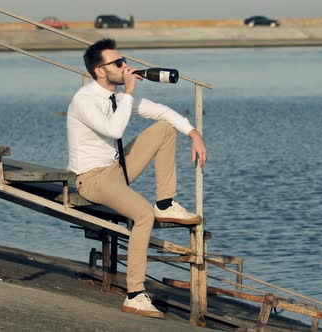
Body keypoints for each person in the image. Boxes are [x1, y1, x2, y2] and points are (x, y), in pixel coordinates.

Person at [66, 38, 207, 318]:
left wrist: (193, 133)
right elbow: (114, 131)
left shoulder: (118, 97)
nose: (125, 66)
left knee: (165, 128)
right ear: (100, 71)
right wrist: (129, 92)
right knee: (143, 214)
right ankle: (135, 295)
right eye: (118, 63)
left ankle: (165, 203)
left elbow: (162, 111)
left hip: (116, 169)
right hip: (92, 179)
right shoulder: (84, 100)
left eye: (124, 60)